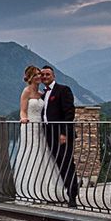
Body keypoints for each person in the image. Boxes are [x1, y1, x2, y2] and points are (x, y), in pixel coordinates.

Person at [13, 65, 66, 203]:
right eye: (36, 74)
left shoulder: (42, 93)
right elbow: (23, 110)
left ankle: (46, 189)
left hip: (41, 127)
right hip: (30, 126)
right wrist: (24, 118)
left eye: (39, 74)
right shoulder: (26, 91)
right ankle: (31, 190)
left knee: (43, 155)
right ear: (30, 77)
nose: (39, 77)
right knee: (31, 154)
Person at [40, 65, 79, 207]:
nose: (45, 77)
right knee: (58, 164)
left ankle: (73, 195)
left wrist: (64, 133)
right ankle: (64, 192)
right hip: (48, 134)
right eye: (42, 75)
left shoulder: (63, 90)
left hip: (61, 135)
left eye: (47, 74)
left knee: (67, 164)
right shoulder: (43, 94)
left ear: (53, 76)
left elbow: (69, 113)